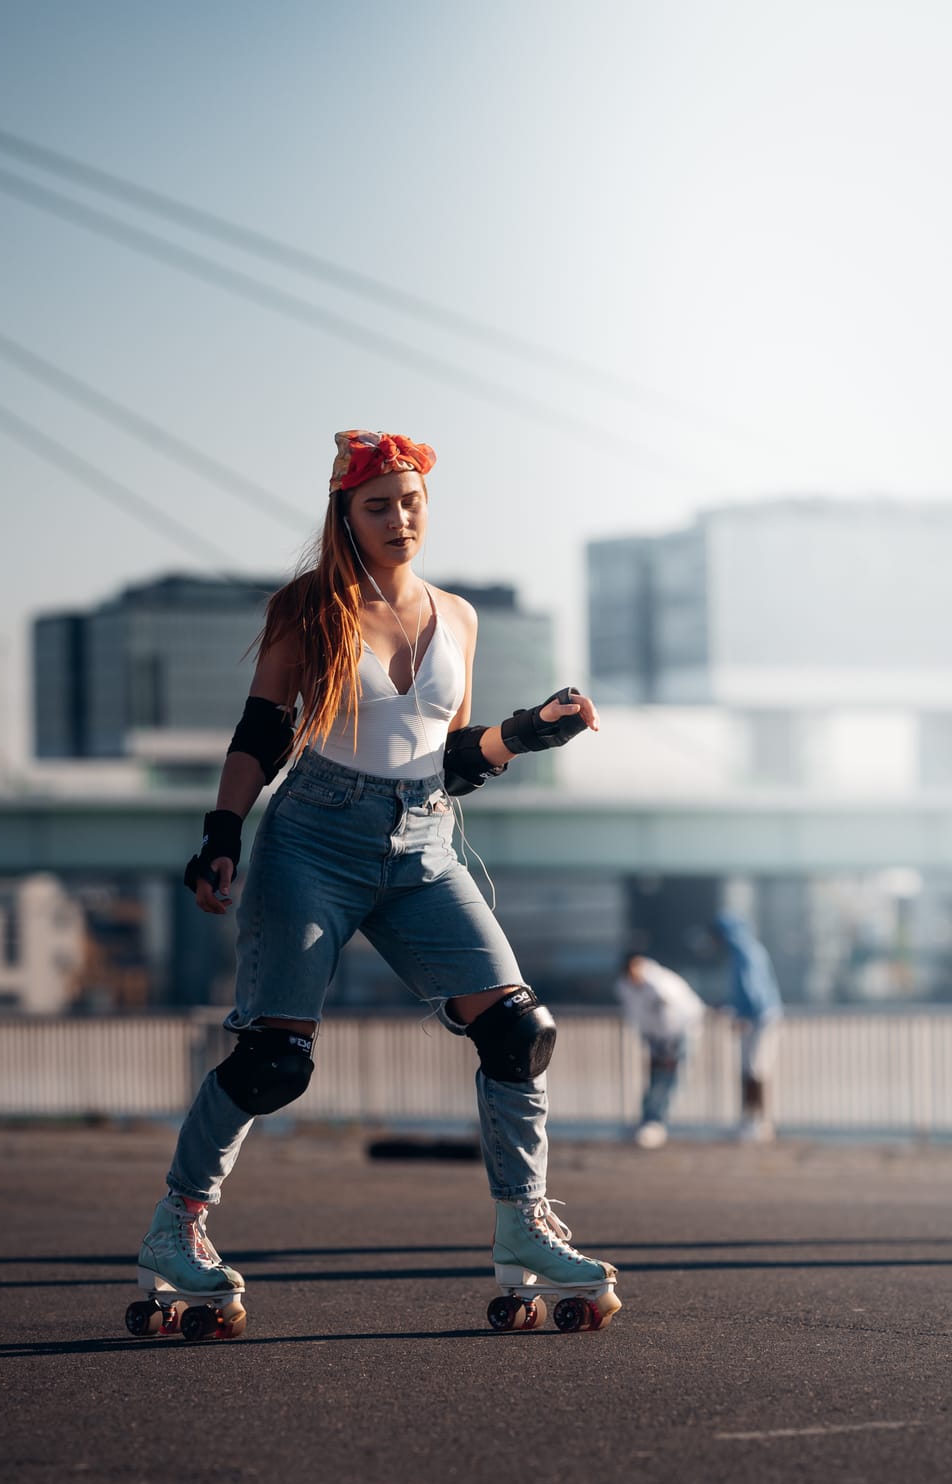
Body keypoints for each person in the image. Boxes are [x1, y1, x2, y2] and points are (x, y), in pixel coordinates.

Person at [130, 429, 620, 1339]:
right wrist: (221, 834)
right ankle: (178, 1227)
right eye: (377, 504)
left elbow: (453, 758)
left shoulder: (460, 618)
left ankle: (525, 1225)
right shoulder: (308, 609)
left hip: (426, 841)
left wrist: (531, 730)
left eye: (410, 501)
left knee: (518, 1029)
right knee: (275, 1060)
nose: (399, 518)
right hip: (313, 837)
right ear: (344, 516)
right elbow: (261, 734)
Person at [614, 952, 706, 1148]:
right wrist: (652, 1043)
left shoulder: (659, 985)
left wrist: (668, 1049)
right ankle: (647, 1119)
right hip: (655, 1037)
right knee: (655, 1077)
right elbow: (637, 1017)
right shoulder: (624, 986)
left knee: (670, 1079)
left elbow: (670, 1018)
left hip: (680, 1032)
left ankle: (657, 1123)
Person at [711, 912, 783, 1143]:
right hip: (756, 1017)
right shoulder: (748, 949)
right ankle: (751, 1120)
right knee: (749, 1069)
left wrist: (742, 1014)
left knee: (754, 1069)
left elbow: (752, 989)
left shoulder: (744, 951)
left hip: (758, 1018)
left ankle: (757, 1123)